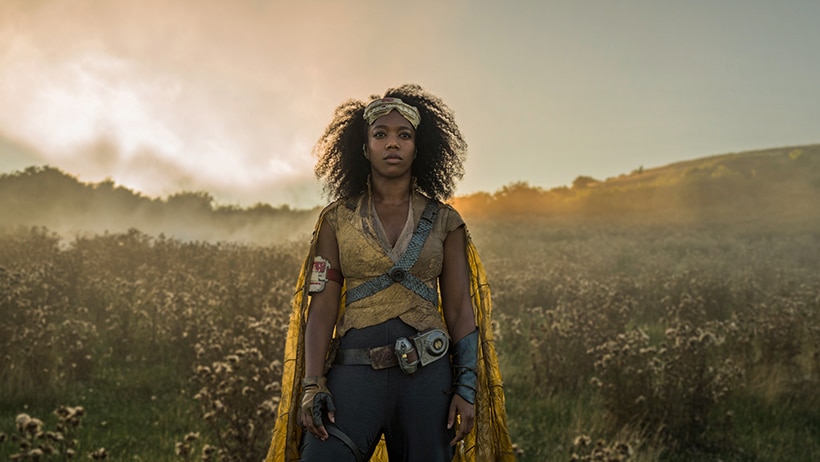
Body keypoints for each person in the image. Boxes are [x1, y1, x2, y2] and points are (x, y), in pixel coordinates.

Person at [265, 84, 513, 462]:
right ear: (364, 148)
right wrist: (313, 385)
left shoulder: (446, 222)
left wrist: (466, 387)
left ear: (418, 147)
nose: (392, 144)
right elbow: (323, 307)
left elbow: (461, 310)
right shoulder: (336, 220)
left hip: (428, 383)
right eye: (380, 135)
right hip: (352, 377)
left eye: (404, 135)